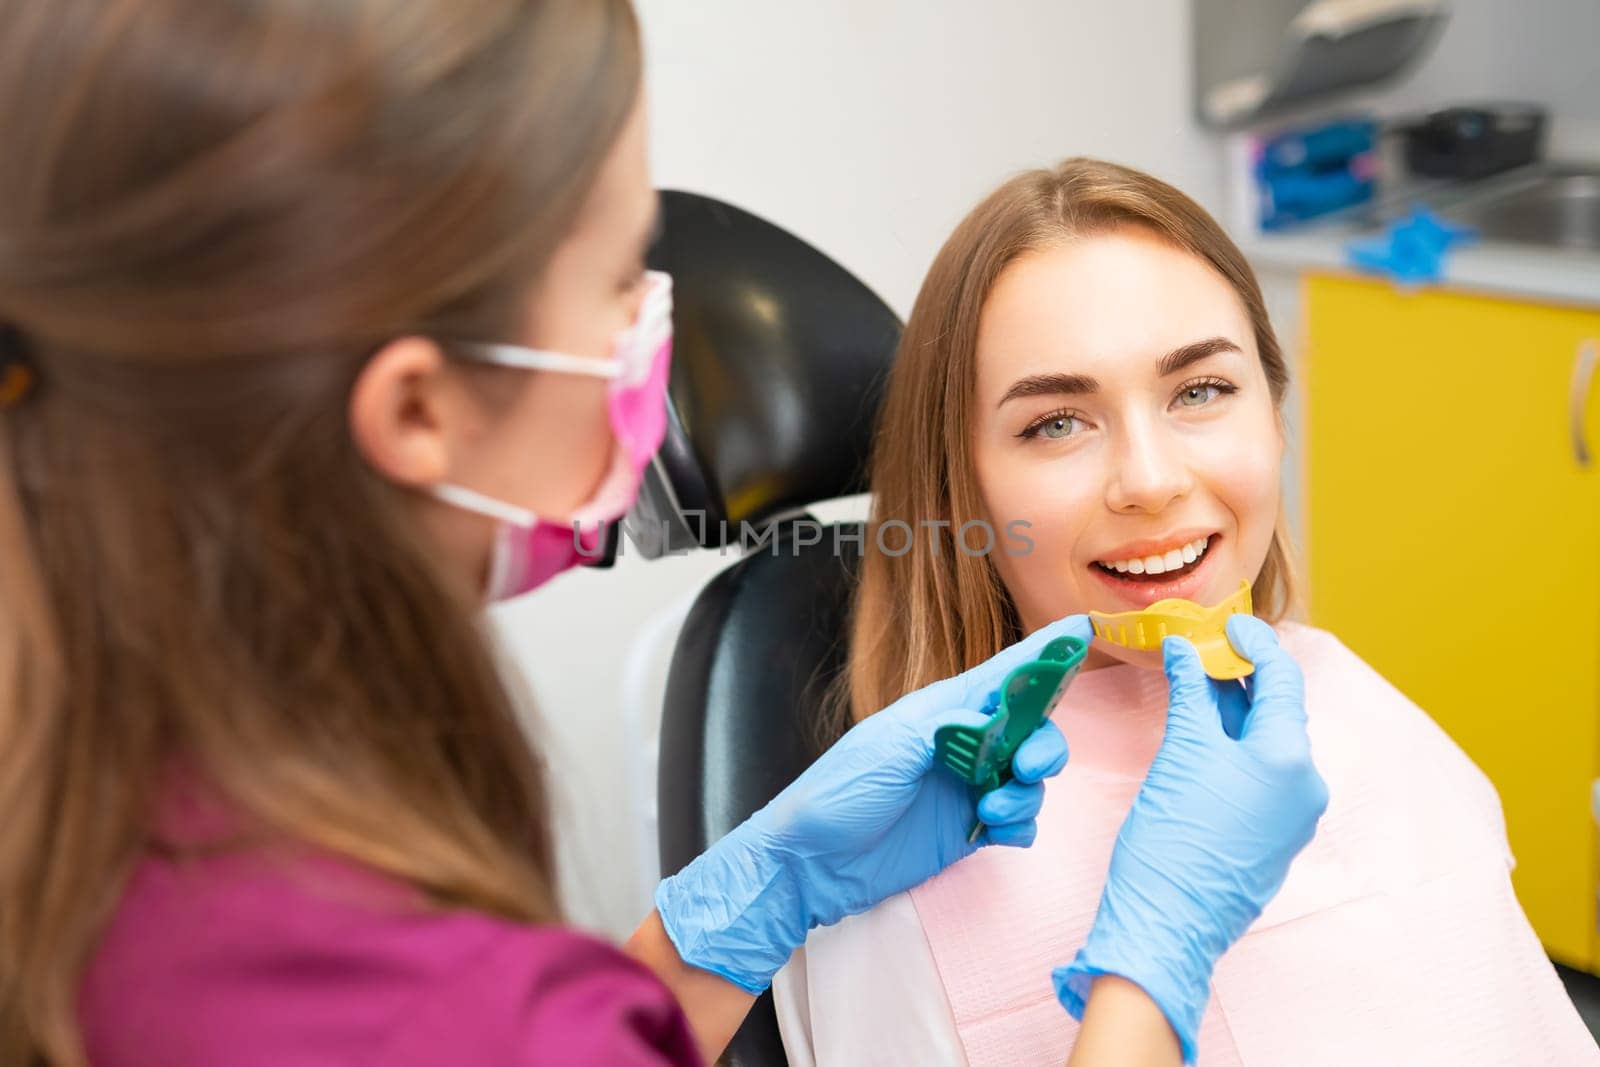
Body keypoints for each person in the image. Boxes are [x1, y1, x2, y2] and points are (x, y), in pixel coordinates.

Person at [0, 5, 1323, 1065]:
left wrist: (741, 904)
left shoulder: (92, 784)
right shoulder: (391, 991)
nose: (1151, 479)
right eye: (619, 272)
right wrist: (1152, 969)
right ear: (417, 404)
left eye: (1205, 385)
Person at [773, 157, 1598, 1065]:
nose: (1153, 481)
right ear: (961, 490)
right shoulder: (898, 877)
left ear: (1274, 414)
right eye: (1056, 422)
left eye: (1200, 391)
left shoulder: (1369, 714)